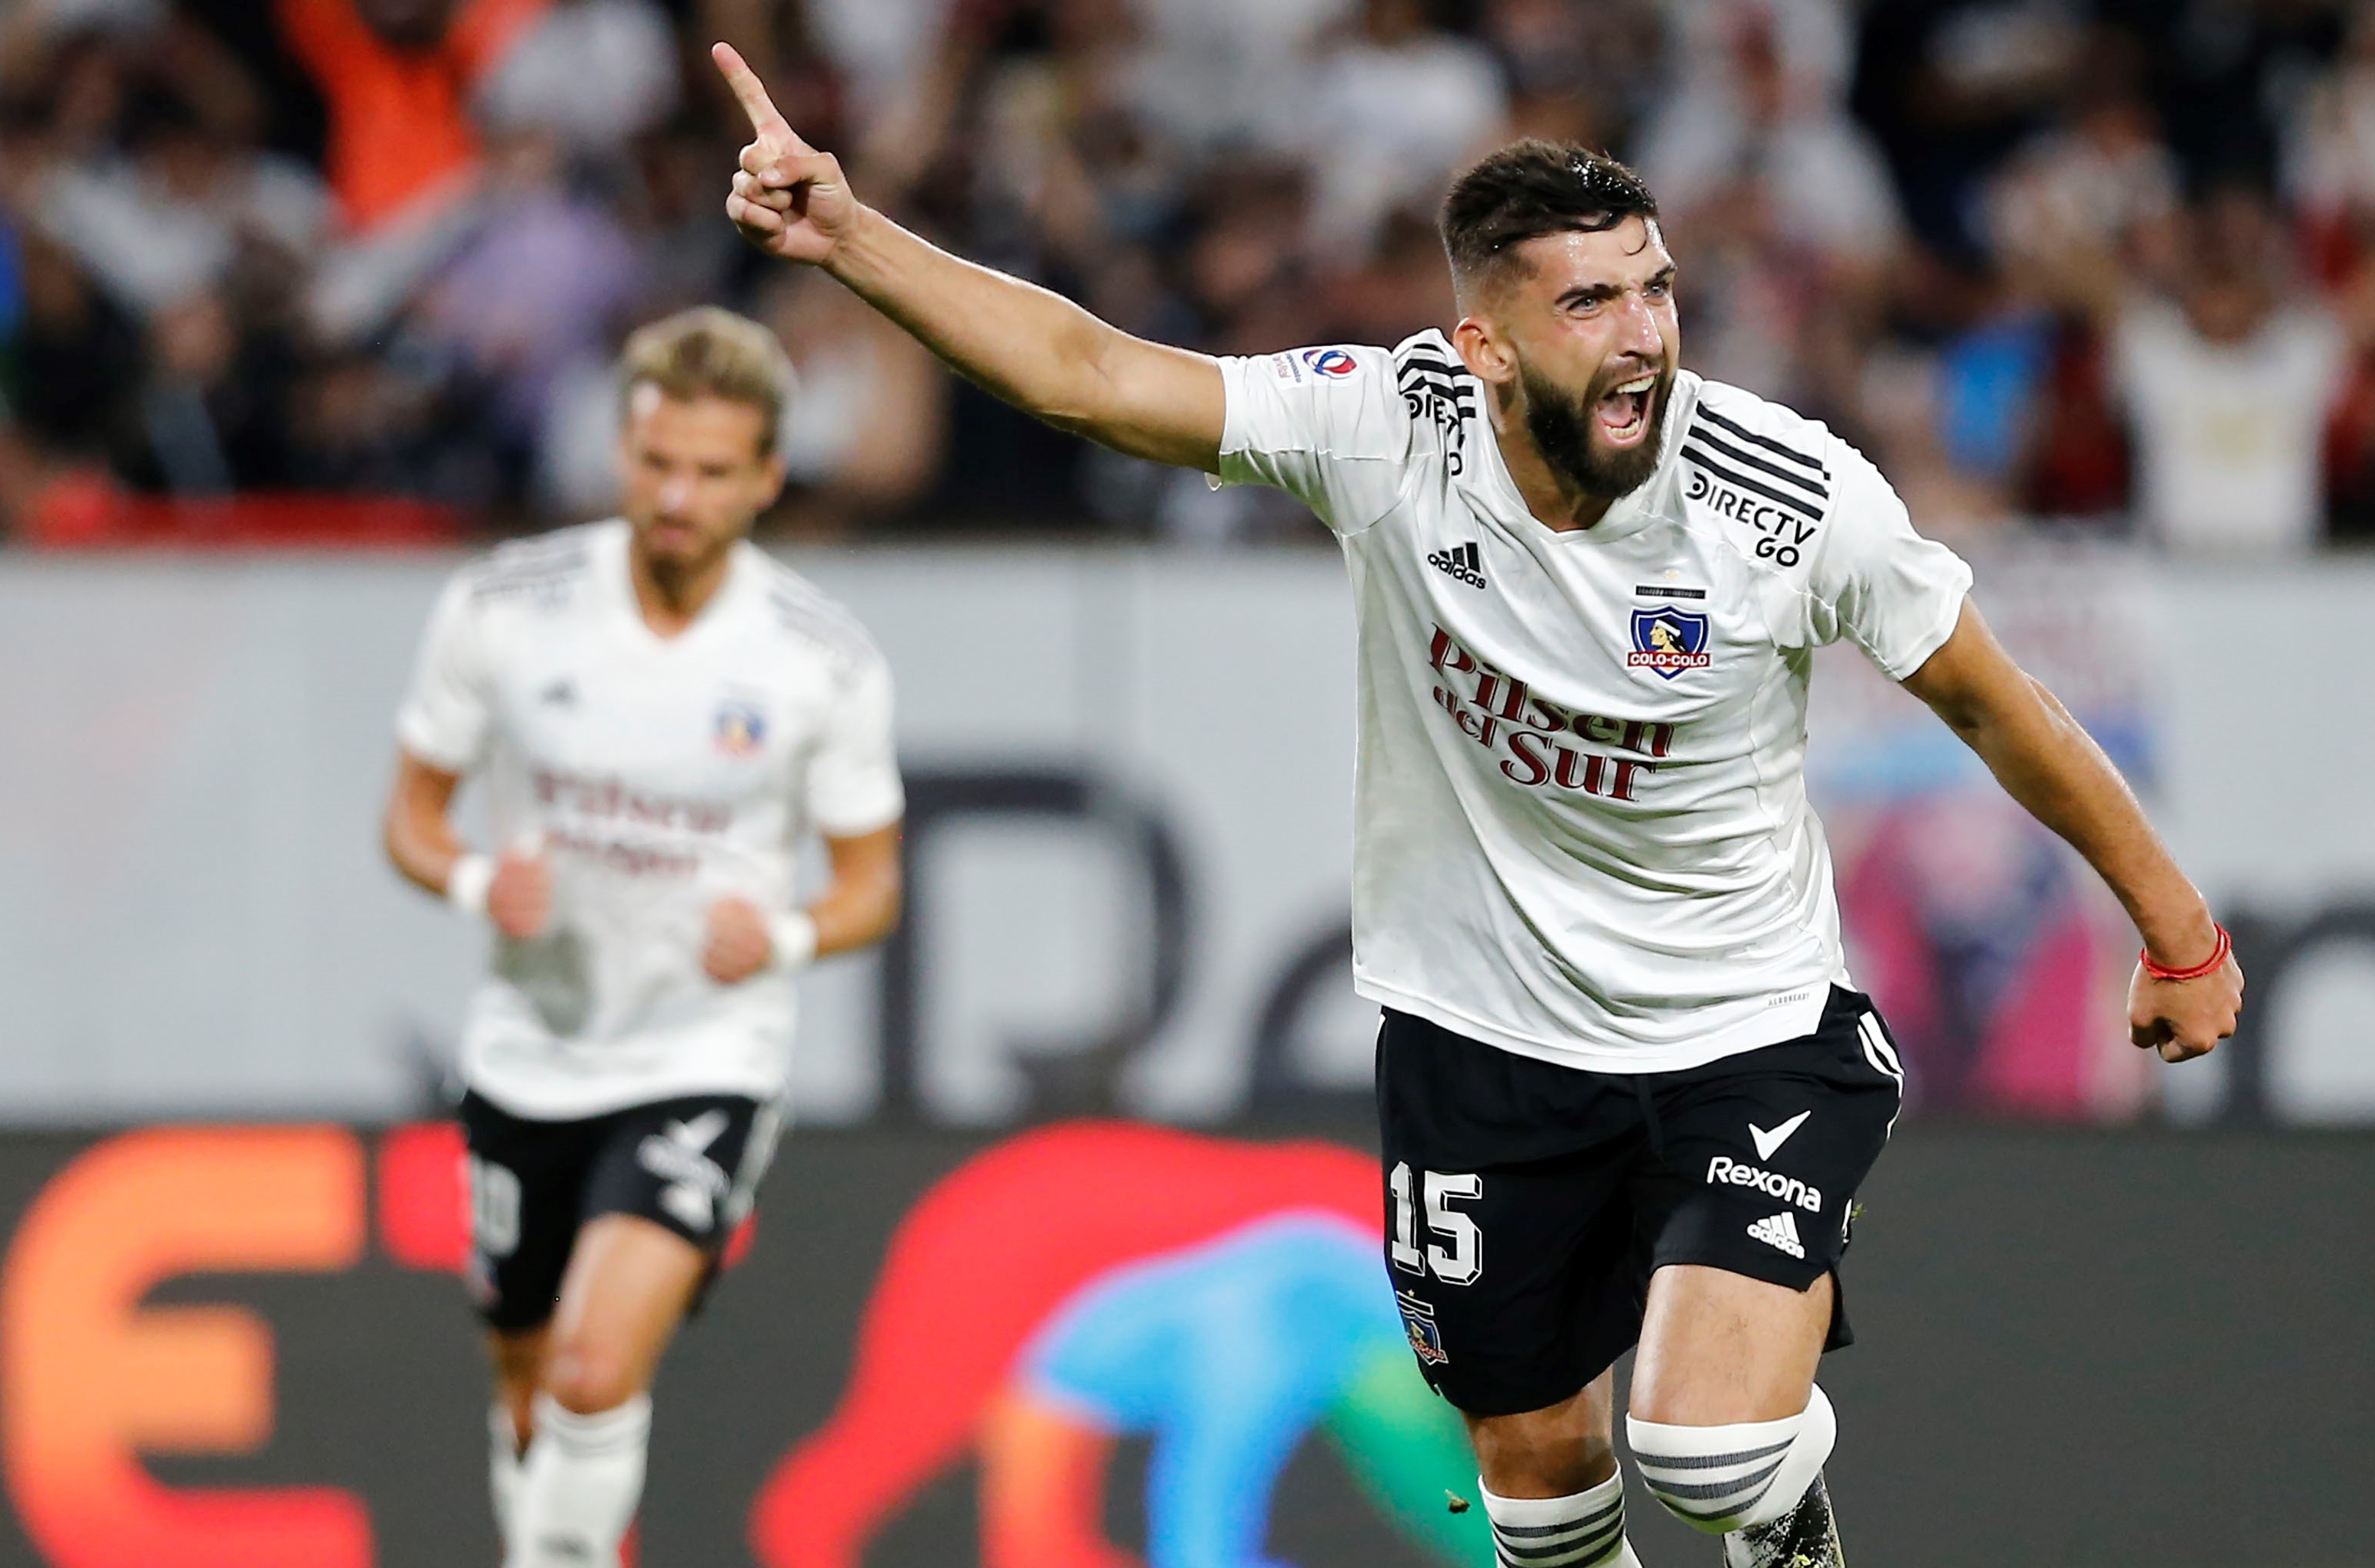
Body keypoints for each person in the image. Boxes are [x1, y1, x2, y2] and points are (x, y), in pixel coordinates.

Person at [713, 43, 2240, 1568]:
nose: (1640, 333)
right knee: (1541, 1500)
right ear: (1484, 344)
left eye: (1652, 287)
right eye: (1587, 301)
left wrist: (2173, 926)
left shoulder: (1788, 497)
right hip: (1481, 1047)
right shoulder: (1389, 430)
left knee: (1706, 1452)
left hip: (1745, 1031)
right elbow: (1097, 376)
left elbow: (1989, 697)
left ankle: (1787, 1511)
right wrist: (851, 237)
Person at [379, 305, 904, 1568]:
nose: (678, 495)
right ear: (622, 452)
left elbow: (870, 888)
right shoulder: (505, 608)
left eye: (713, 471)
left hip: (702, 1053)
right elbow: (410, 818)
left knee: (594, 1359)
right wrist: (471, 886)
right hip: (530, 1047)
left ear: (767, 477)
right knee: (525, 1377)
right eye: (657, 462)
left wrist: (778, 937)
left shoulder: (818, 661)